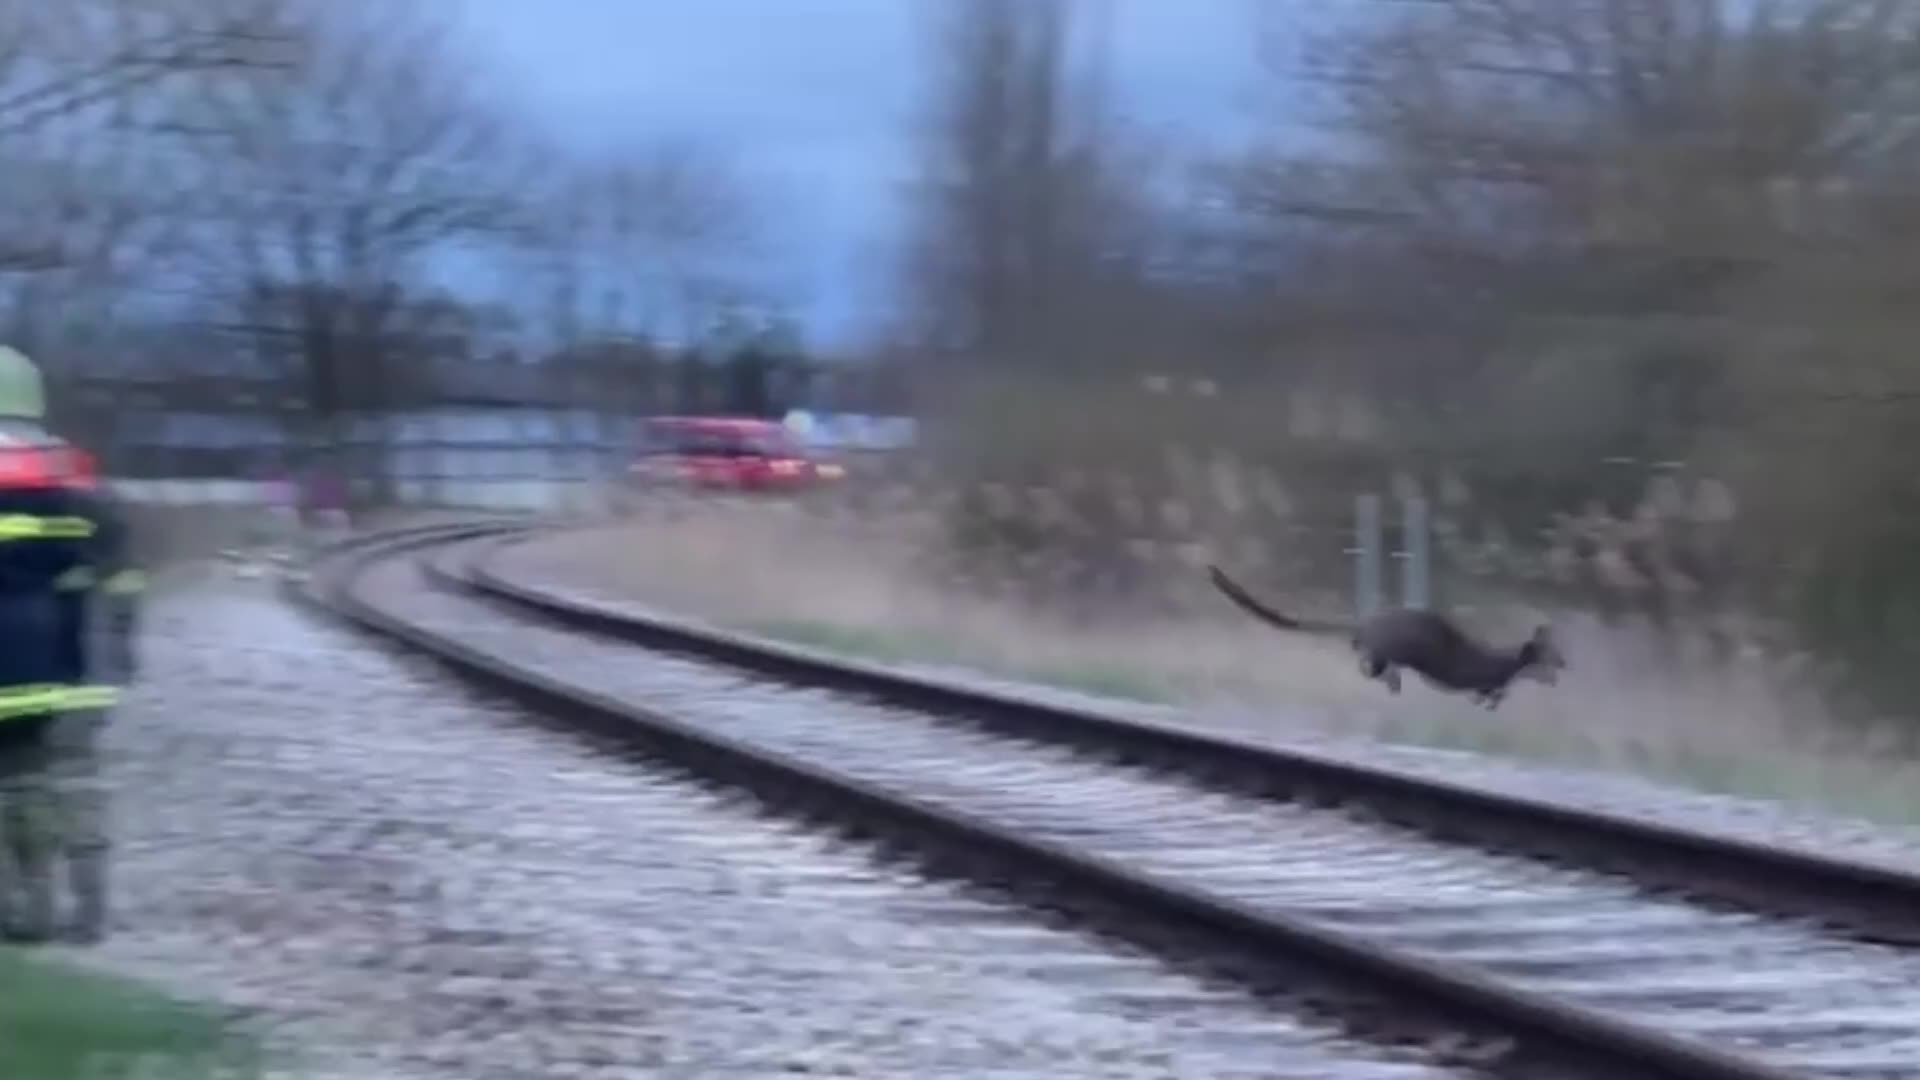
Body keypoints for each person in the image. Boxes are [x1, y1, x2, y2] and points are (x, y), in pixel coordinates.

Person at [0, 344, 140, 943]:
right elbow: (122, 577)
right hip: (80, 660)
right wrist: (119, 653)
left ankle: (30, 912)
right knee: (78, 780)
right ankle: (91, 910)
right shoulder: (82, 480)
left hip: (9, 665)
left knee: (16, 783)